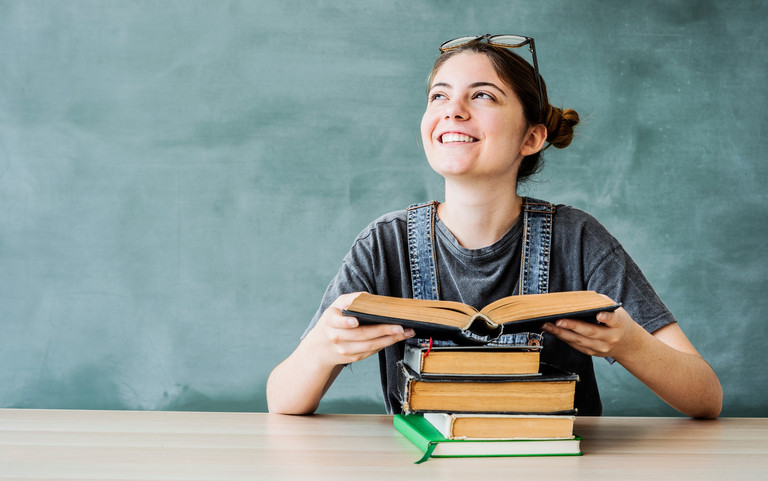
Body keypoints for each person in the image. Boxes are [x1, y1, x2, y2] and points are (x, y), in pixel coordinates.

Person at [266, 35, 722, 418]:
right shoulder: (385, 244)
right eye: (439, 95)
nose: (454, 109)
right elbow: (282, 401)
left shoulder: (578, 239)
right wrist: (321, 350)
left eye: (482, 95)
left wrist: (631, 345)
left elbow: (706, 397)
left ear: (532, 137)